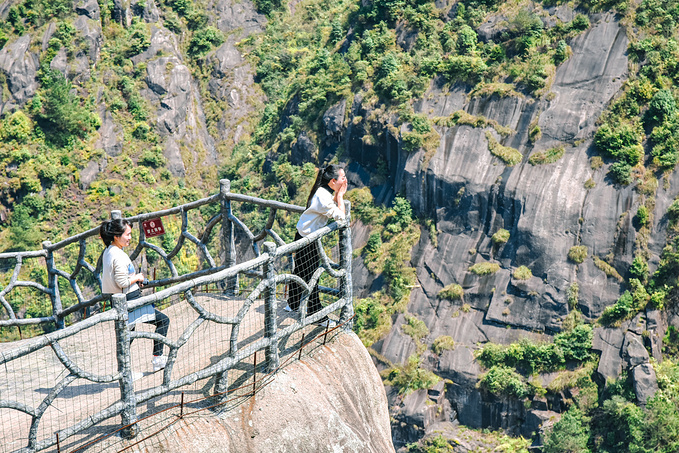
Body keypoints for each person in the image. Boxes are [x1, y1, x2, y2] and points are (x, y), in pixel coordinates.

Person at [100, 218, 170, 372]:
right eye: (128, 234)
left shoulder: (108, 251)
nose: (130, 238)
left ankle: (124, 371)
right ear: (116, 236)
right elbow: (122, 282)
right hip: (129, 301)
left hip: (120, 300)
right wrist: (137, 277)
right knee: (163, 321)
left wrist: (134, 281)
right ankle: (157, 359)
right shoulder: (118, 255)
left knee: (126, 337)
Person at [288, 164, 347, 326]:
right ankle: (316, 314)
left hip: (302, 235)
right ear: (333, 181)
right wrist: (340, 196)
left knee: (300, 270)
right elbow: (341, 218)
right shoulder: (323, 196)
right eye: (343, 178)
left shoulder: (323, 191)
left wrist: (336, 194)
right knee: (312, 276)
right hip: (308, 240)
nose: (345, 180)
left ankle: (292, 303)